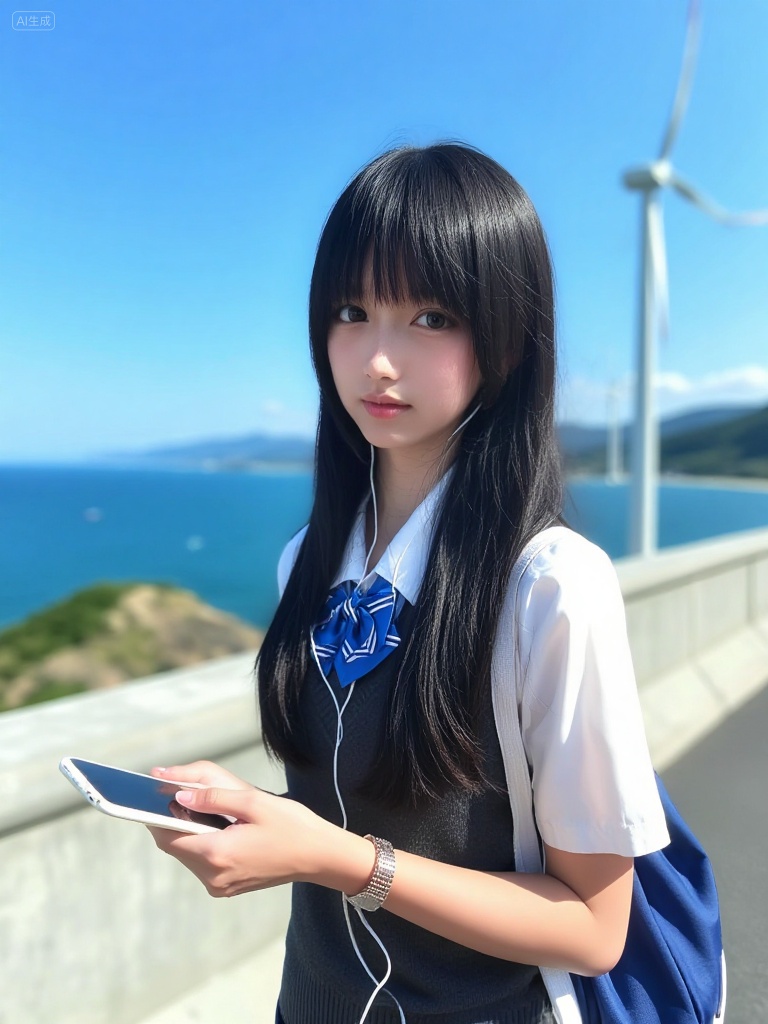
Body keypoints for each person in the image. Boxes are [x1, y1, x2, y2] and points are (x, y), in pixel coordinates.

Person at [149, 142, 670, 1024]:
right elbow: (352, 815)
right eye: (353, 311)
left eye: (431, 317)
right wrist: (265, 823)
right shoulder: (309, 560)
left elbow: (593, 925)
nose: (378, 360)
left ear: (506, 337)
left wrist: (342, 860)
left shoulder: (550, 586)